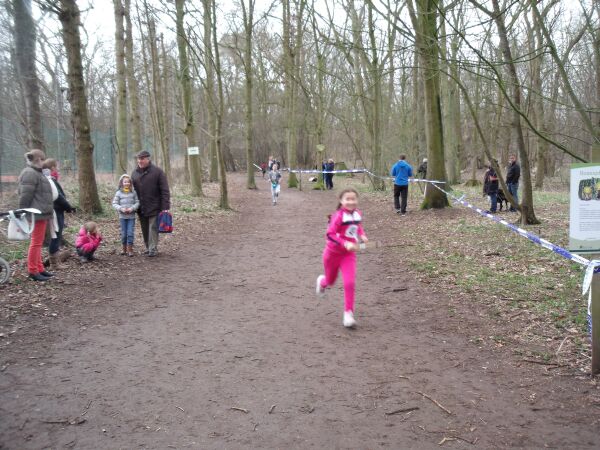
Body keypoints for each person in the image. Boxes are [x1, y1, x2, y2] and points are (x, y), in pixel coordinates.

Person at [315, 188, 369, 328]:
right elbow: (330, 234)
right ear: (341, 201)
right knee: (330, 281)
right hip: (332, 254)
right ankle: (322, 282)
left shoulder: (357, 213)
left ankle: (348, 314)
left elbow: (357, 226)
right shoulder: (338, 216)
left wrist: (362, 235)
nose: (351, 202)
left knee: (349, 282)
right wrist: (345, 243)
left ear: (357, 200)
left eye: (353, 199)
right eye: (347, 199)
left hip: (348, 254)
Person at [18, 149, 55, 282]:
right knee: (36, 243)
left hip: (41, 213)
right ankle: (33, 270)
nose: (44, 162)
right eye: (43, 159)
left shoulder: (36, 172)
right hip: (35, 214)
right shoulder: (30, 173)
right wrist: (23, 212)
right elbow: (25, 195)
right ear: (38, 159)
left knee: (38, 242)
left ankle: (39, 268)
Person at [131, 150, 170, 257]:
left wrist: (165, 206)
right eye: (138, 159)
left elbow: (165, 190)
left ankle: (153, 249)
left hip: (155, 206)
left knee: (153, 227)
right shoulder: (134, 173)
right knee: (145, 229)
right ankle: (148, 247)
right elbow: (132, 191)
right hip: (141, 207)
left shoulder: (158, 172)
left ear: (148, 159)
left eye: (142, 159)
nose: (139, 161)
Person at [42, 159, 75, 270]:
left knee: (55, 235)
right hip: (55, 211)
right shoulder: (50, 180)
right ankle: (54, 264)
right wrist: (69, 208)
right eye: (56, 167)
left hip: (52, 210)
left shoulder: (45, 179)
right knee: (56, 236)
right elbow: (59, 197)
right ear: (52, 167)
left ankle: (53, 262)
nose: (58, 169)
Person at [112, 174, 140, 257]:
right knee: (124, 234)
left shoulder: (133, 192)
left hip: (131, 217)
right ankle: (124, 249)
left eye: (128, 182)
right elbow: (114, 203)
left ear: (130, 183)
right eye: (125, 182)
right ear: (121, 183)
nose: (126, 183)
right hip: (122, 217)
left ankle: (130, 249)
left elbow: (137, 202)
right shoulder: (118, 193)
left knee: (130, 233)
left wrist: (132, 208)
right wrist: (121, 208)